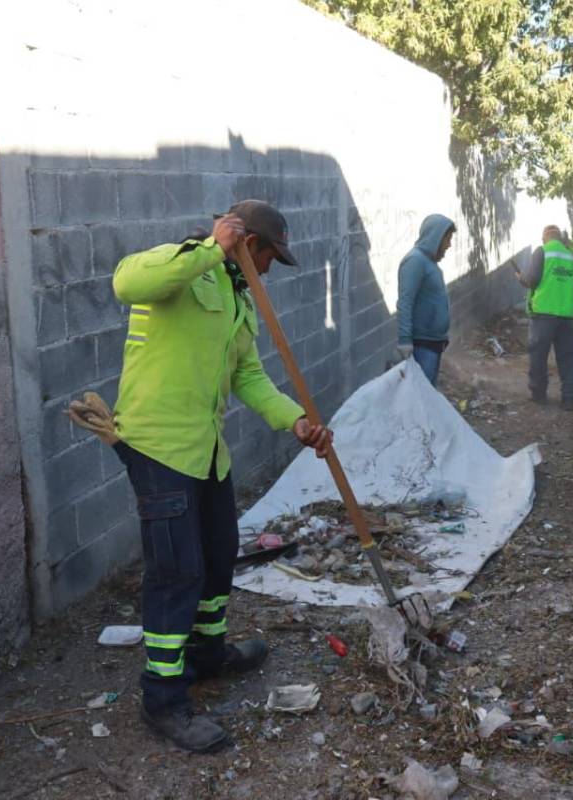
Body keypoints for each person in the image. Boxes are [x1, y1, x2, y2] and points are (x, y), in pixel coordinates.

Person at [109, 199, 333, 752]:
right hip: (158, 445)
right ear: (246, 243)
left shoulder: (239, 299)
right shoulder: (183, 264)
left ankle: (208, 654)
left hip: (205, 450)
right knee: (176, 570)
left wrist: (297, 422)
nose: (270, 269)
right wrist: (212, 247)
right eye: (269, 256)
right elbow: (126, 281)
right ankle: (163, 699)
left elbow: (249, 376)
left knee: (217, 551)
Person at [514, 225, 573, 410]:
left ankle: (539, 394)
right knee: (567, 358)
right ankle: (568, 399)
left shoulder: (542, 252)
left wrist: (520, 277)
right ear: (560, 238)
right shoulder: (570, 256)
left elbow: (532, 280)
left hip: (543, 315)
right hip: (566, 316)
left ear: (545, 238)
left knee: (538, 356)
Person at [394, 214, 456, 386]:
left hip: (433, 344)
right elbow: (405, 303)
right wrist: (405, 340)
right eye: (448, 239)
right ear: (436, 237)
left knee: (426, 396)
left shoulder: (429, 263)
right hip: (422, 346)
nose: (449, 245)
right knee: (419, 397)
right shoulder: (415, 261)